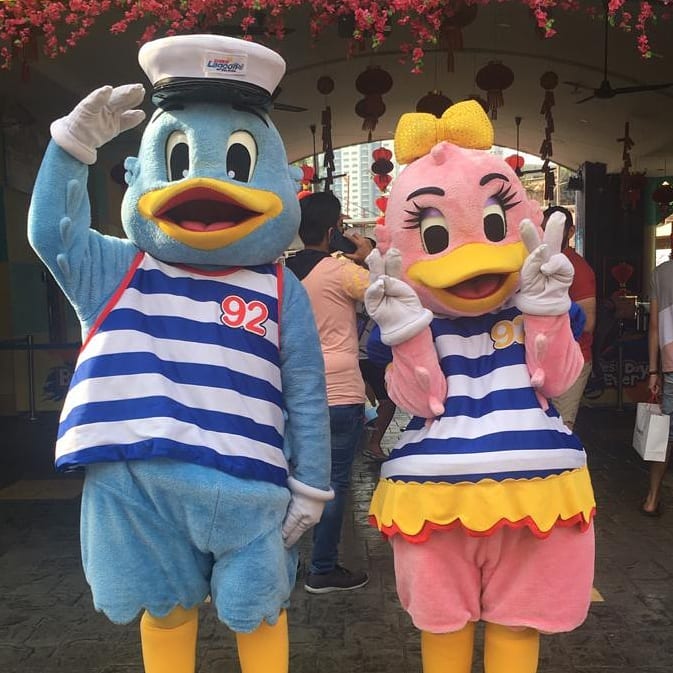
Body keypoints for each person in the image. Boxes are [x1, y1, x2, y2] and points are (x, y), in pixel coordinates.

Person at [285, 190, 373, 593]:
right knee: (334, 481)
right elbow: (385, 294)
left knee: (289, 477)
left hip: (291, 391)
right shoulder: (342, 272)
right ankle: (322, 567)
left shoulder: (280, 275)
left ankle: (282, 560)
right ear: (334, 228)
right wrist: (366, 255)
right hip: (338, 392)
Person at [542, 206, 597, 431]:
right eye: (544, 228)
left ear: (571, 232)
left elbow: (589, 323)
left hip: (572, 360)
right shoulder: (540, 262)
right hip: (544, 360)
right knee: (544, 426)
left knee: (562, 427)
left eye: (556, 228)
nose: (548, 233)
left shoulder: (578, 268)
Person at [642, 256, 673, 516]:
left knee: (665, 436)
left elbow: (654, 326)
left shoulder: (661, 273)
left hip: (671, 364)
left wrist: (654, 370)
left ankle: (652, 499)